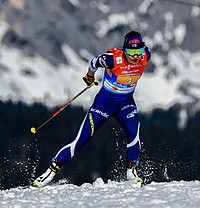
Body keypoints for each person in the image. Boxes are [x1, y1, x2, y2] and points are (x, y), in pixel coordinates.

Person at [32, 31, 151, 188]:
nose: (135, 56)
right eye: (131, 52)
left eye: (138, 51)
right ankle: (49, 172)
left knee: (133, 133)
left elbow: (142, 55)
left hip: (125, 104)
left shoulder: (146, 56)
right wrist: (89, 77)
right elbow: (94, 62)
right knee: (81, 139)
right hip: (103, 105)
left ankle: (131, 171)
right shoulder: (112, 60)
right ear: (124, 50)